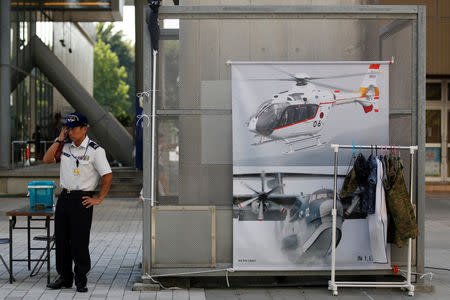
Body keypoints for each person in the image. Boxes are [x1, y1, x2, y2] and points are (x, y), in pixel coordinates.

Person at [43, 112, 113, 293]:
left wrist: (99, 198)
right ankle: (64, 277)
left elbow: (107, 175)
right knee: (61, 240)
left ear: (84, 128)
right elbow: (47, 159)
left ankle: (80, 278)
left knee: (79, 241)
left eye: (73, 129)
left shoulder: (95, 150)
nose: (70, 132)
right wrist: (59, 139)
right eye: (67, 128)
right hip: (64, 198)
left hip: (82, 199)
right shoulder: (64, 146)